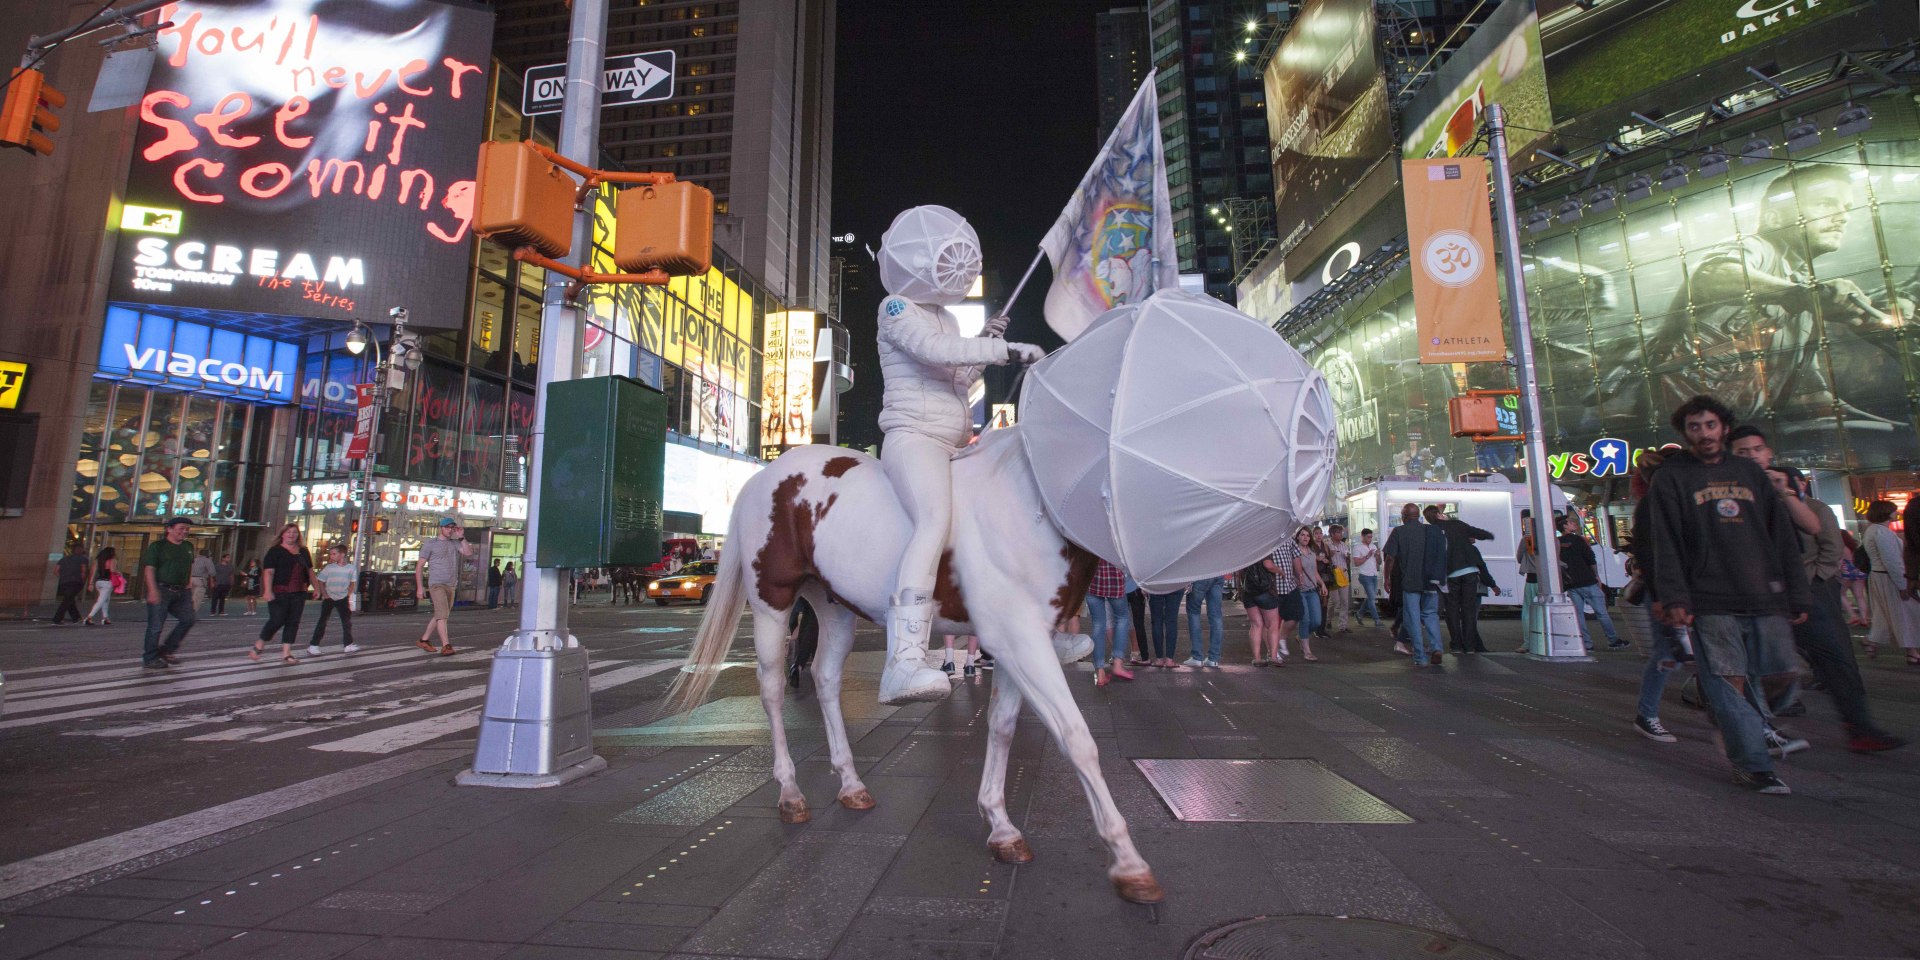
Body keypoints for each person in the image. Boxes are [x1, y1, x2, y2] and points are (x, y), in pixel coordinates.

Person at [871, 205, 1045, 704]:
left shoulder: (946, 316)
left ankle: (1028, 623)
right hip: (914, 439)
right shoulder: (897, 308)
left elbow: (957, 378)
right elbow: (934, 353)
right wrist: (1002, 350)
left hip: (953, 442)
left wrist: (984, 345)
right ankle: (903, 659)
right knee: (934, 522)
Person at [1646, 395, 1810, 794]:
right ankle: (1753, 765)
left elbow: (1782, 536)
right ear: (1685, 433)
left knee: (1781, 673)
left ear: (1724, 426)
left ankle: (1739, 721)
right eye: (1695, 427)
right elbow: (1664, 541)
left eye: (1710, 425)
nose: (1704, 433)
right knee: (1729, 681)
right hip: (1710, 597)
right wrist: (1675, 597)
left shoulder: (1748, 473)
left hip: (1764, 594)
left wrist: (1797, 592)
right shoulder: (1672, 477)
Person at [1770, 468, 1903, 751]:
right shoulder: (1765, 509)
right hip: (1777, 597)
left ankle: (1859, 726)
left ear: (1800, 483)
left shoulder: (1816, 509)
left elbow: (1831, 548)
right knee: (1775, 661)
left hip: (1813, 592)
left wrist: (1817, 581)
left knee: (1835, 656)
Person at [1624, 453, 1685, 743]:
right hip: (1666, 589)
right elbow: (1648, 552)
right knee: (1667, 651)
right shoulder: (1652, 505)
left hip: (1693, 588)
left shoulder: (1685, 502)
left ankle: (1736, 715)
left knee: (1710, 655)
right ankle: (1647, 714)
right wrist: (1661, 596)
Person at [1383, 503, 1446, 666]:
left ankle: (1420, 657)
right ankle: (1436, 648)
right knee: (1431, 615)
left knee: (1413, 618)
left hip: (1410, 581)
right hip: (1430, 581)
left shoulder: (1399, 532)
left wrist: (1387, 578)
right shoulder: (1431, 530)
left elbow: (1390, 557)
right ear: (1418, 516)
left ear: (1404, 517)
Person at [1428, 506, 1493, 654]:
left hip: (1450, 574)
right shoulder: (1456, 525)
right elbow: (1477, 533)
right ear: (1439, 515)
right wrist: (1489, 535)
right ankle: (1470, 646)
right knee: (1469, 610)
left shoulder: (1433, 531)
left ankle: (1456, 645)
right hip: (1469, 571)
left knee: (1452, 610)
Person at [1862, 500, 1920, 663]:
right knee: (1907, 613)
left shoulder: (1873, 531)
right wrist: (1903, 584)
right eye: (1894, 510)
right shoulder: (1882, 533)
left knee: (1888, 614)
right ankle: (1911, 651)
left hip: (1880, 576)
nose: (1896, 513)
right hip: (1889, 577)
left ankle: (1875, 641)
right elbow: (1892, 560)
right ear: (1886, 512)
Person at [1559, 513, 1625, 651]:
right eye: (1570, 522)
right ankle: (1613, 640)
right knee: (1601, 612)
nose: (1573, 523)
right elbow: (1590, 558)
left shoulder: (1557, 542)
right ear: (1565, 526)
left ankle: (1587, 644)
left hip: (1571, 584)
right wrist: (1597, 576)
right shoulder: (1579, 540)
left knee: (1578, 615)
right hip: (1587, 580)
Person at [140, 517, 200, 668]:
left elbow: (190, 567)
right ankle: (150, 658)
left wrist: (189, 587)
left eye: (187, 529)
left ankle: (167, 649)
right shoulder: (158, 546)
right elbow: (149, 569)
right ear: (169, 529)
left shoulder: (188, 546)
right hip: (162, 589)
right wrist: (152, 590)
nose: (185, 531)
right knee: (156, 626)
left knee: (188, 619)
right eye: (181, 528)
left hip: (182, 591)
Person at [253, 523, 313, 664]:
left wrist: (316, 588)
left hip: (299, 591)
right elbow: (268, 572)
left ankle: (286, 652)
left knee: (293, 622)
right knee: (277, 619)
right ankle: (260, 643)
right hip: (280, 591)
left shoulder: (303, 551)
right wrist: (267, 590)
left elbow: (310, 571)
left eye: (294, 532)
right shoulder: (275, 551)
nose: (292, 535)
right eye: (288, 532)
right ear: (282, 535)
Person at [416, 517, 473, 656]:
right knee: (443, 615)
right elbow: (419, 566)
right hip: (437, 584)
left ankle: (424, 640)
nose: (450, 530)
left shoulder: (454, 543)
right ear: (440, 528)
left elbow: (468, 553)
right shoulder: (431, 543)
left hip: (451, 584)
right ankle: (446, 645)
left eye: (452, 528)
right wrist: (420, 587)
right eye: (447, 527)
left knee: (441, 614)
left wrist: (461, 537)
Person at [1087, 558, 1135, 686]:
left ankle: (1100, 671)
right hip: (1115, 579)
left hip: (1092, 579)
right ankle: (1118, 664)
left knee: (1098, 624)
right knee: (1122, 618)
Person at [308, 543, 360, 656]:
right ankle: (314, 645)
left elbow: (352, 583)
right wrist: (325, 594)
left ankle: (348, 644)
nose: (331, 556)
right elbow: (321, 581)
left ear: (342, 554)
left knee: (346, 622)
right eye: (331, 554)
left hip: (342, 598)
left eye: (334, 554)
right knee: (323, 621)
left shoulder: (351, 568)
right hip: (329, 598)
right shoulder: (329, 568)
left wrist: (348, 594)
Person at [1266, 532, 1308, 665]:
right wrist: (1279, 571)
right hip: (1271, 586)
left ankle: (1280, 639)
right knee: (1270, 622)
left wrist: (1299, 573)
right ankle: (1271, 652)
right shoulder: (1267, 537)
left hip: (1289, 584)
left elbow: (1296, 556)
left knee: (1296, 614)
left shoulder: (1288, 537)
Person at [1289, 527, 1327, 661]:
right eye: (1302, 535)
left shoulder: (1311, 553)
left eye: (1307, 536)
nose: (1305, 537)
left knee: (1317, 621)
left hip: (1312, 590)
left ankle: (1301, 636)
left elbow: (1314, 572)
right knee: (1305, 620)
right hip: (1299, 591)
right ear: (1298, 537)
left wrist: (1322, 584)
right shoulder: (1294, 552)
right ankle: (1307, 651)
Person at [1238, 556, 1282, 665]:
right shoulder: (1264, 546)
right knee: (1272, 625)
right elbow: (1268, 565)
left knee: (1256, 625)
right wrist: (1280, 571)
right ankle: (1273, 657)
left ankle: (1257, 658)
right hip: (1264, 590)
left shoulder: (1246, 549)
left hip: (1249, 592)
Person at [1182, 574, 1226, 668]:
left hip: (1200, 574)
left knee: (1194, 613)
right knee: (1216, 616)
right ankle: (1213, 659)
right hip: (1218, 573)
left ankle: (1197, 657)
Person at [1148, 584, 1187, 668]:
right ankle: (1169, 659)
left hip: (1156, 585)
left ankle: (1159, 659)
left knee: (1156, 622)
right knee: (1171, 622)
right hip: (1175, 584)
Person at [51, 542, 89, 626]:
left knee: (69, 599)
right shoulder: (83, 559)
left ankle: (76, 618)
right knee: (66, 601)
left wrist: (62, 577)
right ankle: (57, 619)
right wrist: (83, 581)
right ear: (81, 550)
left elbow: (56, 571)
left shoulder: (64, 559)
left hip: (64, 582)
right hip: (76, 582)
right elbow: (83, 570)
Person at [1839, 529, 1870, 629]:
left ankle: (1853, 616)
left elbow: (1839, 562)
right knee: (1860, 596)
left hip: (1847, 571)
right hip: (1859, 570)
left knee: (1840, 593)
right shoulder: (1853, 547)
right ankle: (1864, 618)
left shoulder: (1841, 547)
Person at [1352, 528, 1383, 626]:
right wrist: (1368, 556)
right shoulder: (1357, 547)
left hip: (1373, 575)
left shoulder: (1373, 546)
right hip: (1364, 575)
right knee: (1372, 598)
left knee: (1370, 597)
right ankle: (1377, 620)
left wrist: (1378, 556)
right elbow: (1356, 563)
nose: (1370, 539)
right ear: (1363, 536)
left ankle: (1359, 614)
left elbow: (1380, 562)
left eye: (1371, 537)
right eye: (1368, 537)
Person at [1325, 525, 1353, 633]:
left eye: (1341, 532)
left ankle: (1343, 625)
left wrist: (1347, 558)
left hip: (1344, 573)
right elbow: (1324, 558)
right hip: (1333, 575)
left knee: (1345, 601)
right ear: (1332, 534)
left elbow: (1348, 562)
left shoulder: (1344, 545)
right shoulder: (1327, 544)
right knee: (1334, 600)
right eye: (1339, 532)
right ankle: (1328, 619)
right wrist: (1329, 555)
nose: (1341, 534)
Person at [84, 545, 117, 627]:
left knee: (105, 600)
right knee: (101, 601)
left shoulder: (98, 560)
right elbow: (113, 571)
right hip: (107, 582)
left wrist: (90, 583)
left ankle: (105, 618)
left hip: (98, 582)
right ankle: (89, 617)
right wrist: (118, 573)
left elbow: (93, 572)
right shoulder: (112, 560)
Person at [191, 549, 216, 613]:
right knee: (197, 599)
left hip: (190, 579)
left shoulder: (194, 559)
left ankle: (187, 612)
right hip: (200, 580)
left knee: (190, 598)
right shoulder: (207, 560)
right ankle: (192, 614)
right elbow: (212, 572)